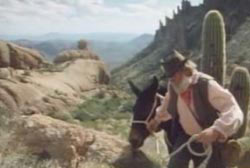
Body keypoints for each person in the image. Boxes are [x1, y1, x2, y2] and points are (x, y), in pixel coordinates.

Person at [147, 50, 243, 168]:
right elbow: (167, 104)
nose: (170, 79)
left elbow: (234, 109)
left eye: (173, 75)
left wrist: (216, 130)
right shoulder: (174, 86)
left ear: (185, 70)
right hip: (188, 136)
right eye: (169, 77)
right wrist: (156, 120)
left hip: (212, 141)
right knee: (174, 165)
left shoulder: (206, 85)